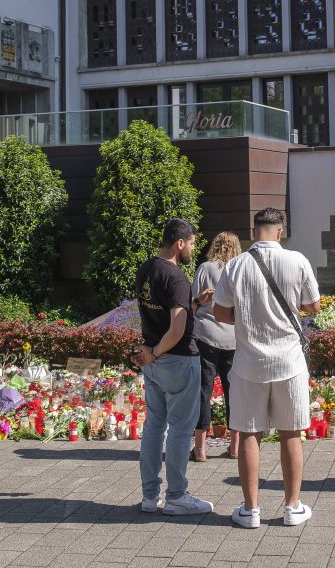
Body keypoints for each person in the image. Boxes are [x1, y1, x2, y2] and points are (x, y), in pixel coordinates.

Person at [214, 208, 321, 528]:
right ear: (280, 231)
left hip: (248, 362)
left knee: (248, 433)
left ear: (254, 230)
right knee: (291, 433)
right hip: (289, 361)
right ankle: (291, 507)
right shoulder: (298, 260)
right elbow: (313, 306)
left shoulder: (236, 265)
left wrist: (246, 319)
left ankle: (250, 510)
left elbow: (220, 313)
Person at [130, 219, 214, 516]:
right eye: (191, 243)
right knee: (180, 430)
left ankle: (149, 496)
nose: (193, 248)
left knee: (154, 426)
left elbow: (167, 314)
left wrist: (194, 304)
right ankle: (177, 495)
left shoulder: (147, 269)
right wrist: (154, 352)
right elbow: (177, 328)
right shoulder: (176, 276)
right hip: (176, 358)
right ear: (180, 243)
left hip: (154, 362)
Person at [191, 231, 242, 461]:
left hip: (207, 335)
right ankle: (235, 448)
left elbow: (193, 301)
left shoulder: (205, 268)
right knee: (235, 393)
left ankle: (200, 449)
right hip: (234, 337)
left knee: (203, 390)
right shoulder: (241, 268)